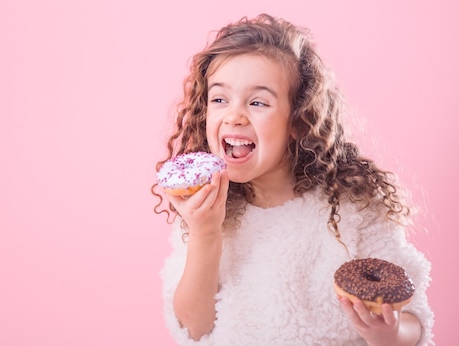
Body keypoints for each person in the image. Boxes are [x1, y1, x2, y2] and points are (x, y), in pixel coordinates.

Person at [152, 13, 434, 345]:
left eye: (258, 102)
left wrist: (390, 332)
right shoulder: (203, 209)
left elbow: (413, 317)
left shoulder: (353, 208)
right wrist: (205, 232)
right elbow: (193, 328)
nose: (234, 115)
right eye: (219, 99)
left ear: (299, 121)